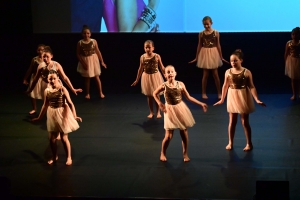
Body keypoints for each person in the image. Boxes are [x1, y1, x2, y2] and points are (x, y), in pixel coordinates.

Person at [214, 49, 266, 151]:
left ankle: (249, 143)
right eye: (232, 61)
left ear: (241, 60)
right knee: (232, 121)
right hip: (232, 95)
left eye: (235, 60)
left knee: (244, 121)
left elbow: (251, 86)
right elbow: (225, 86)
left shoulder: (246, 72)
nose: (233, 63)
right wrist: (222, 99)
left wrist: (256, 99)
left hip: (243, 96)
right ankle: (230, 142)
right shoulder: (228, 72)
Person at [153, 65, 208, 162]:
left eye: (172, 71)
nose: (170, 73)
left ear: (175, 73)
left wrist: (200, 104)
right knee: (169, 136)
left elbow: (188, 97)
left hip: (180, 108)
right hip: (169, 110)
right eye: (168, 72)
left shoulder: (180, 84)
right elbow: (154, 93)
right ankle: (163, 152)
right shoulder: (164, 86)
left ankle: (185, 154)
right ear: (165, 75)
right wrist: (160, 103)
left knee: (184, 132)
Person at [32, 70, 82, 165]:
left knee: (64, 138)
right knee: (51, 139)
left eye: (54, 78)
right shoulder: (47, 91)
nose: (52, 80)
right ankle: (55, 156)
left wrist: (75, 115)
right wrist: (39, 118)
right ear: (48, 80)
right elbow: (45, 105)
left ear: (57, 79)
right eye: (50, 78)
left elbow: (70, 103)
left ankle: (69, 157)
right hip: (52, 113)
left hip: (62, 112)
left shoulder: (62, 89)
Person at [189, 16, 228, 99]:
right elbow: (199, 45)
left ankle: (219, 93)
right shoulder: (201, 33)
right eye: (204, 25)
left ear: (211, 23)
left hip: (213, 53)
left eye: (207, 24)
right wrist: (196, 57)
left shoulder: (216, 32)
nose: (206, 26)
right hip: (205, 53)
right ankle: (203, 93)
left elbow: (218, 44)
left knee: (215, 74)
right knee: (205, 75)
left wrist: (221, 56)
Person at [131, 40, 165, 118]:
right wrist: (137, 80)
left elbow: (162, 67)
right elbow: (140, 69)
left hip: (155, 76)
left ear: (153, 48)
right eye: (146, 47)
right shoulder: (142, 57)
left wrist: (166, 75)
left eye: (149, 47)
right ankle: (151, 112)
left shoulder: (157, 56)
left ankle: (158, 112)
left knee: (156, 94)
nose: (147, 49)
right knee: (149, 96)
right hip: (146, 77)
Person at [77, 25, 107, 99]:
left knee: (96, 77)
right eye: (84, 33)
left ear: (90, 34)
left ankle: (100, 92)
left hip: (93, 60)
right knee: (87, 78)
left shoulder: (94, 41)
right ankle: (87, 94)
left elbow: (98, 51)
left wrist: (102, 61)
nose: (86, 35)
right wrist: (83, 63)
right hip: (86, 60)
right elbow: (78, 54)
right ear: (82, 34)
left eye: (88, 33)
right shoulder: (80, 43)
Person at [23, 44, 46, 114]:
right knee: (32, 93)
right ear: (36, 51)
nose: (40, 51)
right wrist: (25, 79)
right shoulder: (34, 59)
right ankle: (34, 108)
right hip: (35, 78)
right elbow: (30, 69)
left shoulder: (46, 58)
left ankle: (44, 109)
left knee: (45, 94)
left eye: (42, 50)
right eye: (39, 50)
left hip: (43, 78)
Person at [284, 27, 300, 100]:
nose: (294, 36)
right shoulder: (289, 43)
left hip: (299, 61)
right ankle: (294, 94)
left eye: (296, 34)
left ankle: (299, 93)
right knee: (293, 79)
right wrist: (285, 61)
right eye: (293, 34)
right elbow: (286, 53)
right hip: (292, 61)